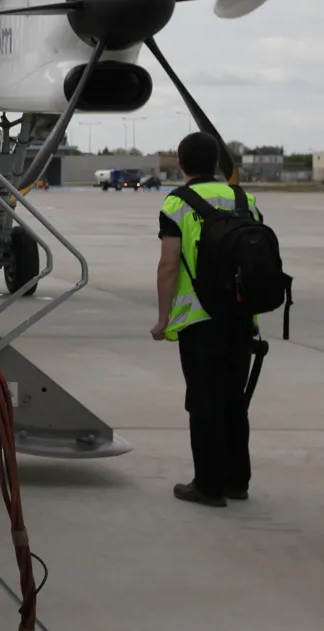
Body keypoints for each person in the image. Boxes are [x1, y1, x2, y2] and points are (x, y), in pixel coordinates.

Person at [152, 131, 262, 508]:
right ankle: (237, 481)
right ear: (216, 163)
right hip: (241, 315)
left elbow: (169, 265)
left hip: (199, 318)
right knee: (234, 398)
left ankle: (208, 486)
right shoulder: (245, 199)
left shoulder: (177, 203)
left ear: (180, 163)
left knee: (203, 401)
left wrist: (164, 317)